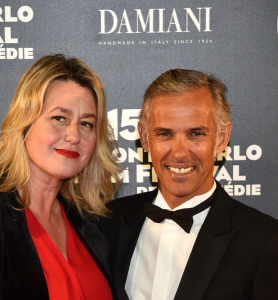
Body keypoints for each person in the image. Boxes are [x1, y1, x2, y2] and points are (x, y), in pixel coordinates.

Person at [100, 69, 278, 300]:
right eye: (164, 134)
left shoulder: (264, 240)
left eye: (196, 134)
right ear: (144, 138)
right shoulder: (106, 225)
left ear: (222, 137)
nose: (180, 153)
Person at [0, 54, 121, 300]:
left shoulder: (89, 224)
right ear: (25, 122)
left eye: (86, 124)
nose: (74, 135)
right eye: (59, 118)